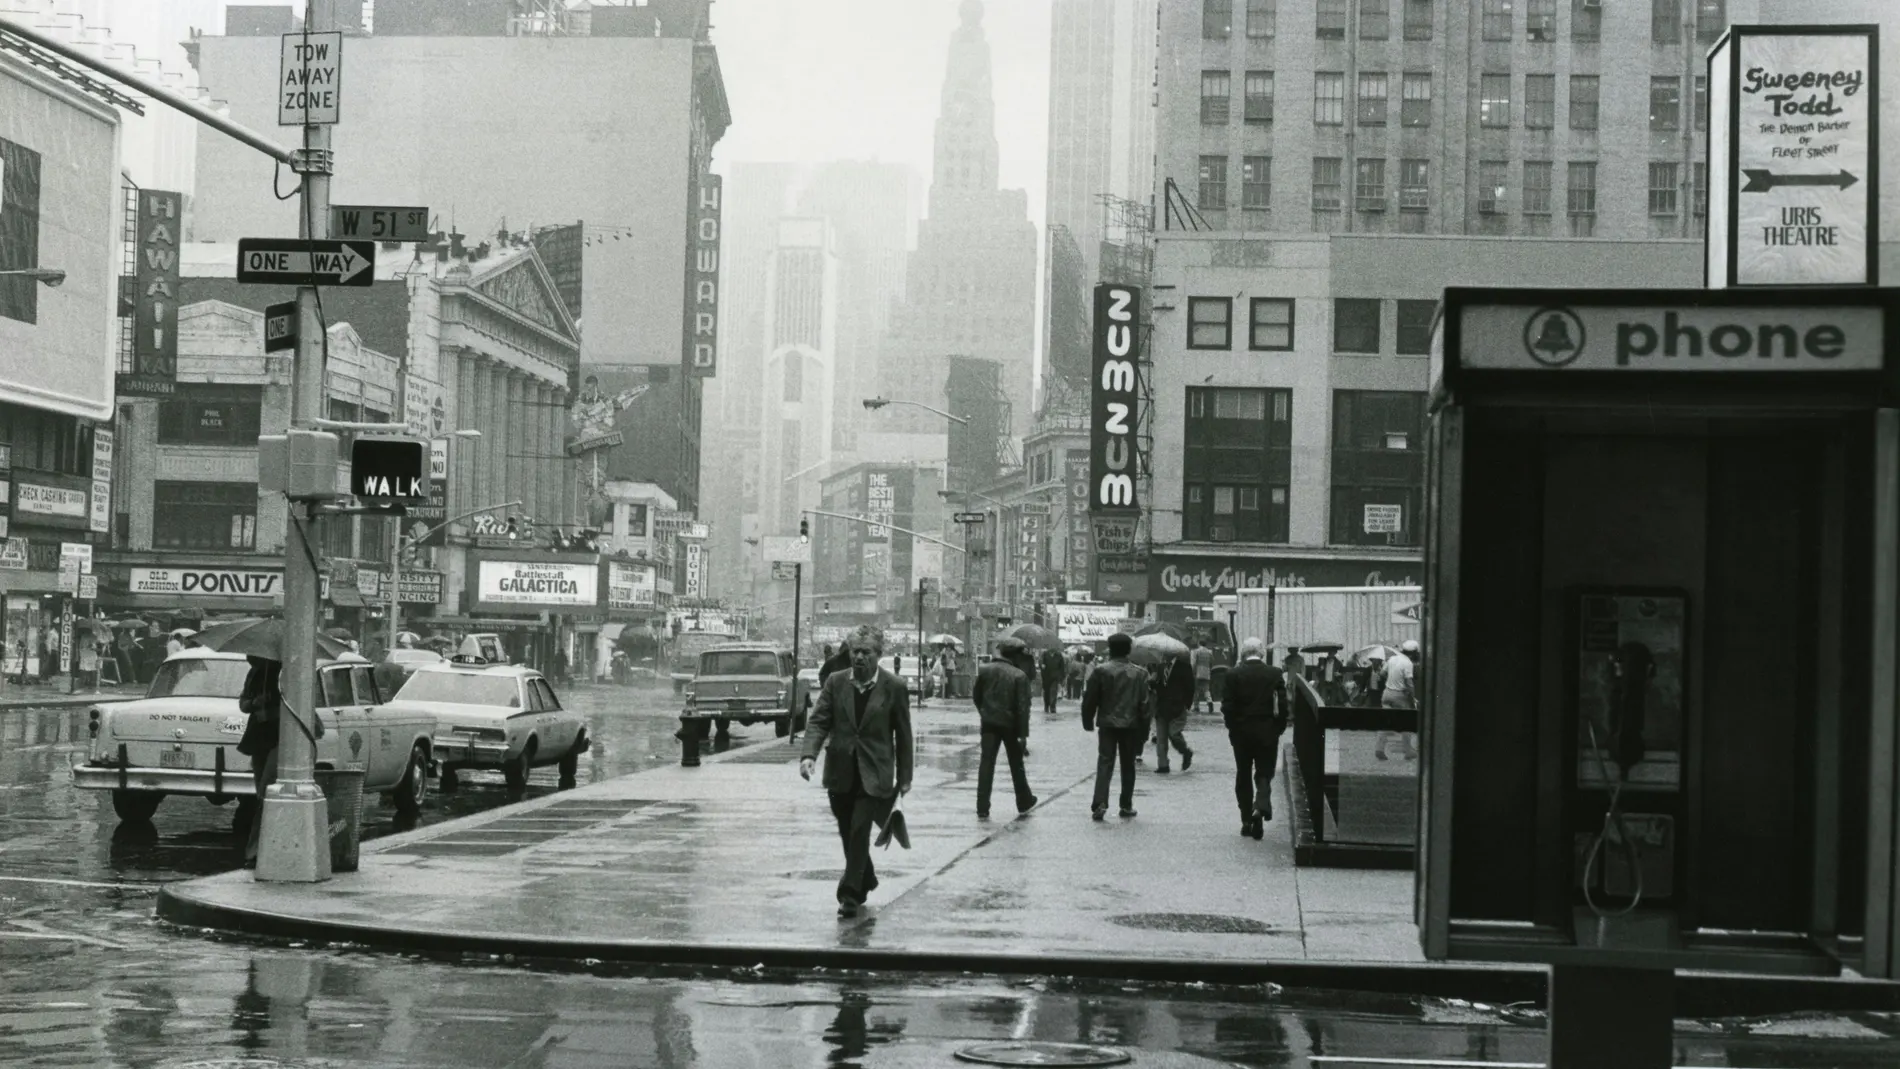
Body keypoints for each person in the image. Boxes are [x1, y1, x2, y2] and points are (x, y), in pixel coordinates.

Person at [799, 625, 914, 918]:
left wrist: (905, 778)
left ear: (879, 655)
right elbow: (819, 721)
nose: (860, 657)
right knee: (846, 828)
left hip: (875, 772)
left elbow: (904, 736)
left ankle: (849, 893)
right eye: (855, 651)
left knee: (859, 828)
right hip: (840, 770)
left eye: (867, 652)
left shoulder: (894, 687)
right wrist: (809, 755)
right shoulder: (836, 682)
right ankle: (867, 876)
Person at [1081, 631, 1151, 821]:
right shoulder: (1140, 674)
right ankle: (1126, 804)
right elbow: (1145, 705)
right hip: (1132, 725)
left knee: (1105, 762)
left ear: (1110, 649)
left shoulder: (1101, 671)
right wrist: (1145, 731)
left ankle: (1100, 803)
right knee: (1128, 765)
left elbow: (1090, 699)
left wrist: (1087, 720)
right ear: (1129, 650)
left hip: (1107, 724)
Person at [1223, 637, 1288, 839]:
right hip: (1267, 731)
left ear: (1243, 652)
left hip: (1242, 733)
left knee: (1243, 773)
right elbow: (1284, 705)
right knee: (1264, 772)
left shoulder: (1232, 675)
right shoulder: (1275, 674)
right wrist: (1278, 728)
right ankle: (1260, 805)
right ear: (1261, 653)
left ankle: (1245, 820)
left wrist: (1232, 729)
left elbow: (1227, 707)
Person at [971, 638, 1036, 820]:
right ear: (1015, 655)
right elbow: (1023, 708)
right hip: (1011, 726)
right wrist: (1023, 735)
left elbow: (976, 696)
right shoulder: (1019, 676)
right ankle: (1023, 801)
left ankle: (982, 806)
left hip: (989, 724)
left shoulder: (985, 670)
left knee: (986, 764)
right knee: (1016, 765)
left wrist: (985, 713)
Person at [235, 656, 283, 866]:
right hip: (259, 735)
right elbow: (243, 704)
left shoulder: (284, 673)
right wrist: (255, 703)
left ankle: (255, 850)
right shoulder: (254, 674)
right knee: (260, 792)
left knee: (266, 792)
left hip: (280, 736)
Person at [1149, 655, 1195, 774]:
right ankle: (1163, 765)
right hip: (1161, 706)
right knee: (1161, 739)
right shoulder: (1160, 666)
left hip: (1177, 707)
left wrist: (1187, 704)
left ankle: (1185, 752)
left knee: (1173, 733)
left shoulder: (1184, 667)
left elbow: (1190, 686)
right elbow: (1159, 687)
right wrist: (1152, 681)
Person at [1377, 639, 1422, 761]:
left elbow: (1381, 674)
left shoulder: (1392, 659)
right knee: (1406, 722)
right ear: (1413, 652)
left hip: (1387, 693)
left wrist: (1392, 680)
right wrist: (1413, 698)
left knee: (1386, 722)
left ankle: (1379, 748)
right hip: (1400, 695)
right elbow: (1409, 683)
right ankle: (1408, 751)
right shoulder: (1408, 663)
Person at [1036, 645, 1065, 718]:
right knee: (1046, 692)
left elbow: (1062, 667)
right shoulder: (1045, 654)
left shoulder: (1059, 655)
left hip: (1055, 677)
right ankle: (1046, 705)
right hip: (1046, 676)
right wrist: (1041, 665)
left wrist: (1061, 677)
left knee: (1053, 691)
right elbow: (1040, 662)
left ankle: (1053, 707)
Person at [1190, 638, 1214, 714]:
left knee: (1196, 690)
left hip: (1198, 673)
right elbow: (1212, 662)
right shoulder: (1209, 652)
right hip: (1206, 673)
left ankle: (1196, 707)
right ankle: (1209, 701)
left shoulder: (1196, 651)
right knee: (1206, 689)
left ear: (1199, 644)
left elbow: (1193, 663)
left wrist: (1192, 672)